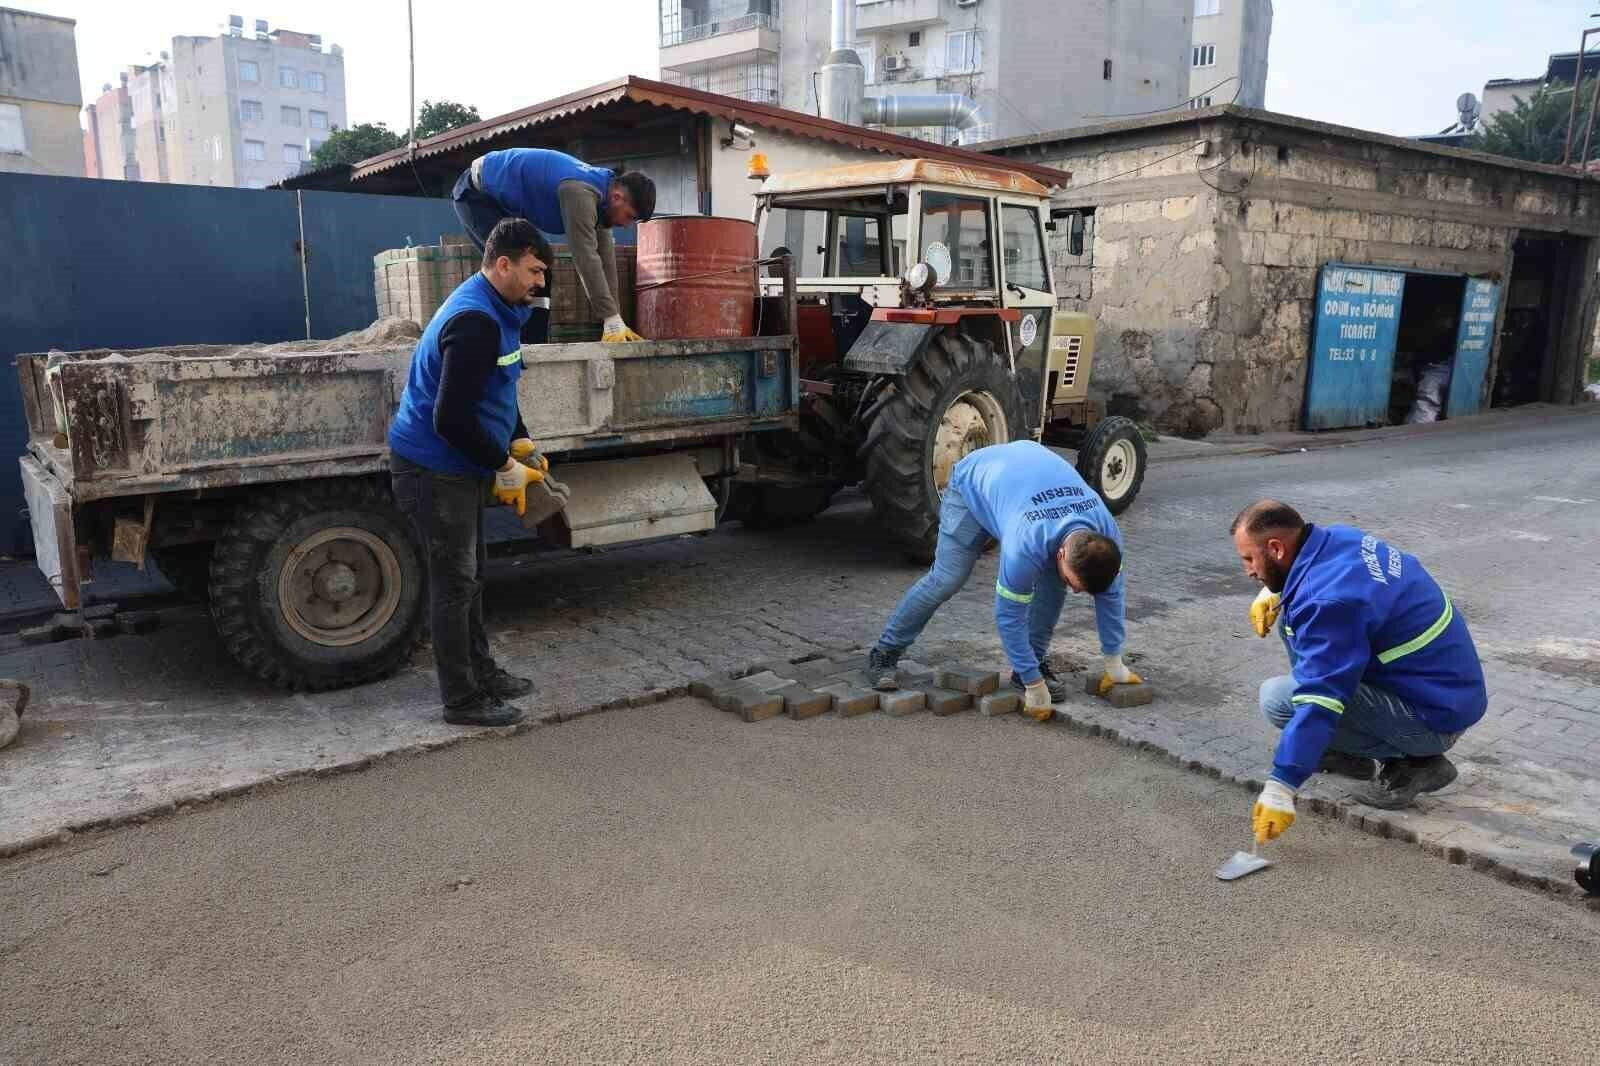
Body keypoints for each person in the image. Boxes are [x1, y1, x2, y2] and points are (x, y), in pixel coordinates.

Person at [388, 218, 562, 727]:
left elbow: (500, 385)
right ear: (503, 264)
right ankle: (461, 700)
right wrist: (503, 465)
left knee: (473, 575)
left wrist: (521, 440)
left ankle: (483, 674)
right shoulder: (474, 321)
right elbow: (451, 419)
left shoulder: (501, 308)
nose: (540, 283)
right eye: (534, 271)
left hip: (458, 464)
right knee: (454, 584)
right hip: (432, 468)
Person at [1232, 500, 1487, 843]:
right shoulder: (1339, 538)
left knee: (1279, 700)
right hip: (1445, 690)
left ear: (1276, 548)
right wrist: (1272, 590)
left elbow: (1321, 699)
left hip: (1434, 717)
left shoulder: (1329, 602)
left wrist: (1281, 785)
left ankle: (1417, 763)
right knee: (1293, 621)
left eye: (1250, 559)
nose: (1248, 570)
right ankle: (1349, 753)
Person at [865, 440, 1143, 721]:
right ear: (1061, 553)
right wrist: (1036, 685)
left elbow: (1111, 597)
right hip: (973, 485)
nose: (1074, 590)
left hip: (1025, 477)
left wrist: (1114, 662)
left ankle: (1029, 666)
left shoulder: (1107, 537)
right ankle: (885, 652)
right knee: (947, 579)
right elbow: (1010, 617)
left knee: (1053, 585)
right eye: (1074, 582)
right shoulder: (1025, 544)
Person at [450, 147, 656, 345]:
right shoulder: (580, 194)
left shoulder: (603, 197)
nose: (627, 224)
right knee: (513, 273)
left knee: (540, 274)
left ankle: (533, 346)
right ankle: (488, 340)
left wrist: (614, 320)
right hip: (477, 196)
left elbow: (605, 260)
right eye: (629, 216)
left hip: (503, 205)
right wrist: (609, 315)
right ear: (617, 197)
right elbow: (586, 258)